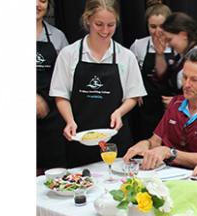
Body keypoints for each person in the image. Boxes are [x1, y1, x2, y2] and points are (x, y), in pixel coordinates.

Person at [50, 0, 147, 168]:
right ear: (87, 19)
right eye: (99, 24)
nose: (105, 31)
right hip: (79, 138)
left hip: (116, 140)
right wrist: (69, 120)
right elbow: (61, 95)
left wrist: (119, 112)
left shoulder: (125, 56)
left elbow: (133, 96)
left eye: (111, 25)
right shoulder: (69, 54)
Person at [123, 49, 197, 170]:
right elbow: (156, 140)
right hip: (167, 174)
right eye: (184, 77)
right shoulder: (176, 103)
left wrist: (170, 153)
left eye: (194, 79)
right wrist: (146, 144)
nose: (186, 84)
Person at [128, 0, 176, 143]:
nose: (158, 31)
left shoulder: (178, 46)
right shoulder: (139, 46)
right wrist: (135, 90)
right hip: (148, 109)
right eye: (153, 26)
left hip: (173, 105)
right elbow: (127, 71)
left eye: (163, 26)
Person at [36, 0, 69, 177]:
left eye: (42, 0)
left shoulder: (57, 37)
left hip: (53, 117)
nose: (38, 4)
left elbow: (66, 76)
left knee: (54, 176)